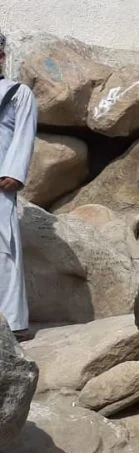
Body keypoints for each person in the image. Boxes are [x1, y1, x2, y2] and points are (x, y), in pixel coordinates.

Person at [0, 32, 39, 340]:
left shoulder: (17, 93)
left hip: (0, 182)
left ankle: (12, 322)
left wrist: (13, 171)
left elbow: (24, 132)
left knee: (4, 247)